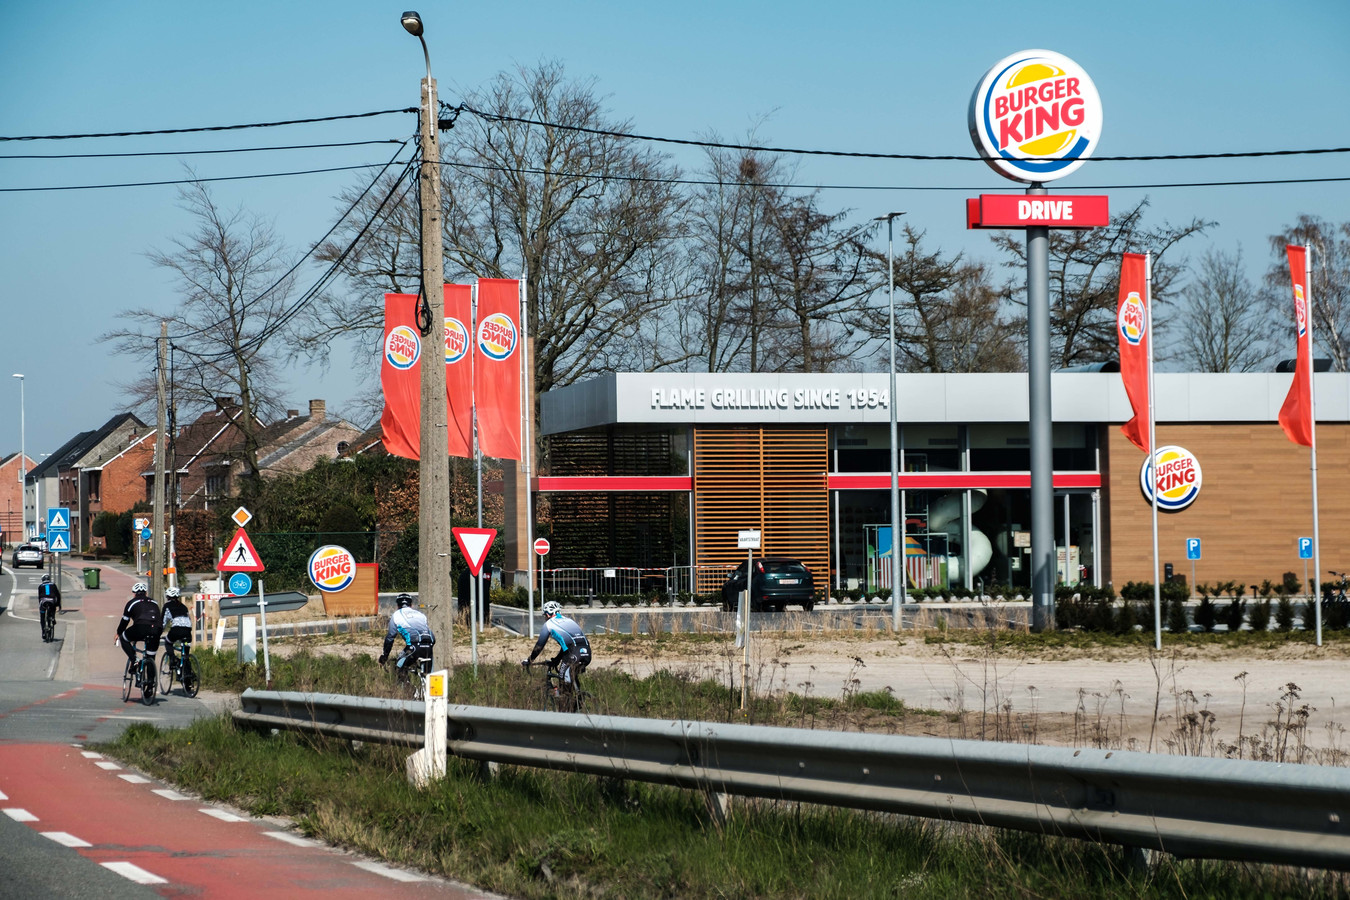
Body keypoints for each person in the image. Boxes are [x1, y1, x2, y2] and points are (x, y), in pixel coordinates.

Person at [521, 600, 592, 692]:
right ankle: (578, 697)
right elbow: (568, 645)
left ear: (548, 614)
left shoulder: (548, 624)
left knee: (563, 681)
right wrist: (557, 659)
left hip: (573, 653)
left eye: (545, 615)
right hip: (587, 652)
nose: (545, 618)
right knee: (571, 677)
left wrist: (530, 660)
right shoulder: (569, 620)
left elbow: (540, 645)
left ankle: (566, 699)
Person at [379, 593, 435, 682]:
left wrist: (384, 656)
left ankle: (407, 688)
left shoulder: (396, 615)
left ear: (397, 606)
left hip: (413, 646)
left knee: (399, 666)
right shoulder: (421, 615)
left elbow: (390, 638)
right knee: (430, 676)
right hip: (429, 645)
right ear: (411, 605)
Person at [116, 581, 162, 668]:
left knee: (123, 638)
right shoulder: (154, 603)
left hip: (141, 628)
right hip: (157, 629)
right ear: (146, 593)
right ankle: (151, 675)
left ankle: (134, 660)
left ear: (134, 594)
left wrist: (119, 633)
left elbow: (125, 620)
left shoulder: (132, 603)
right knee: (151, 656)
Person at [161, 586, 193, 669]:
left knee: (168, 642)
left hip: (176, 629)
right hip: (187, 630)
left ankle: (173, 659)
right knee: (185, 652)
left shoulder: (167, 606)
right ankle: (187, 672)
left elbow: (163, 622)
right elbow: (189, 620)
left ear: (168, 596)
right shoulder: (183, 606)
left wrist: (160, 632)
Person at [37, 573, 61, 641]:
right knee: (52, 609)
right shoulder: (53, 585)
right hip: (52, 601)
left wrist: (40, 605)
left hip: (43, 602)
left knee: (42, 616)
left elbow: (39, 597)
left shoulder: (40, 586)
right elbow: (58, 595)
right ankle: (52, 618)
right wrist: (58, 604)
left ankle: (43, 632)